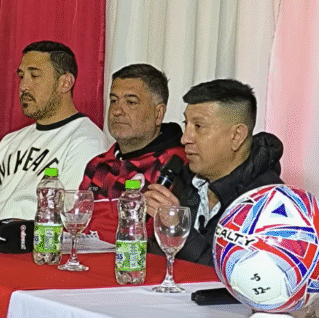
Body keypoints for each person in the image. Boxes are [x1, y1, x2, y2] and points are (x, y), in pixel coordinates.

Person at [144, 79, 283, 266]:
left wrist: (179, 229)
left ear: (237, 136)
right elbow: (157, 258)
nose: (185, 139)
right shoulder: (186, 179)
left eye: (198, 127)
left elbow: (237, 273)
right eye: (186, 124)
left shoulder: (269, 201)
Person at [0, 40, 108, 220]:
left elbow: (72, 216)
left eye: (34, 76)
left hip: (37, 235)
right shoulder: (10, 140)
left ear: (65, 83)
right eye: (21, 76)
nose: (23, 86)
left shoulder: (87, 142)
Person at [79, 64, 185, 241]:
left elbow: (166, 240)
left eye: (131, 102)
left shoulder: (176, 164)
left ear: (158, 113)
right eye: (114, 100)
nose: (117, 111)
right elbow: (77, 225)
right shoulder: (97, 164)